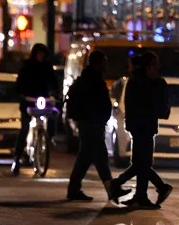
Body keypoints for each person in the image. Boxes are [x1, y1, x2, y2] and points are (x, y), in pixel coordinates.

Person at [110, 51, 173, 208]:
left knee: (140, 163)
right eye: (156, 65)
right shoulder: (151, 83)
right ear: (149, 67)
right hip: (144, 127)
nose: (158, 68)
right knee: (142, 164)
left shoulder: (135, 81)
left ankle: (140, 195)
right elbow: (159, 109)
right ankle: (130, 190)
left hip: (138, 127)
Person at [65, 50, 129, 202]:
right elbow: (94, 103)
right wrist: (96, 118)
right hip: (91, 124)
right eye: (103, 62)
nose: (106, 65)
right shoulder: (91, 80)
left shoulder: (90, 78)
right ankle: (75, 190)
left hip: (93, 124)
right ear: (97, 63)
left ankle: (110, 189)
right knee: (88, 157)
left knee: (98, 157)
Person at [11, 43, 58, 176]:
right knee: (25, 128)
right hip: (28, 101)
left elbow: (53, 81)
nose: (41, 56)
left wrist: (54, 93)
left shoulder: (47, 66)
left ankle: (49, 138)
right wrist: (23, 95)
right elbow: (20, 83)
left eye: (43, 54)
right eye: (39, 53)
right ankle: (17, 158)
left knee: (53, 115)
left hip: (43, 100)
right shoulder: (27, 66)